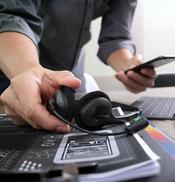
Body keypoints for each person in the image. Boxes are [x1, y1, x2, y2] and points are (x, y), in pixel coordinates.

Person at [0, 0, 156, 132]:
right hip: (17, 77)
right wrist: (27, 70)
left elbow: (116, 38)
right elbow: (12, 16)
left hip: (73, 88)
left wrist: (129, 66)